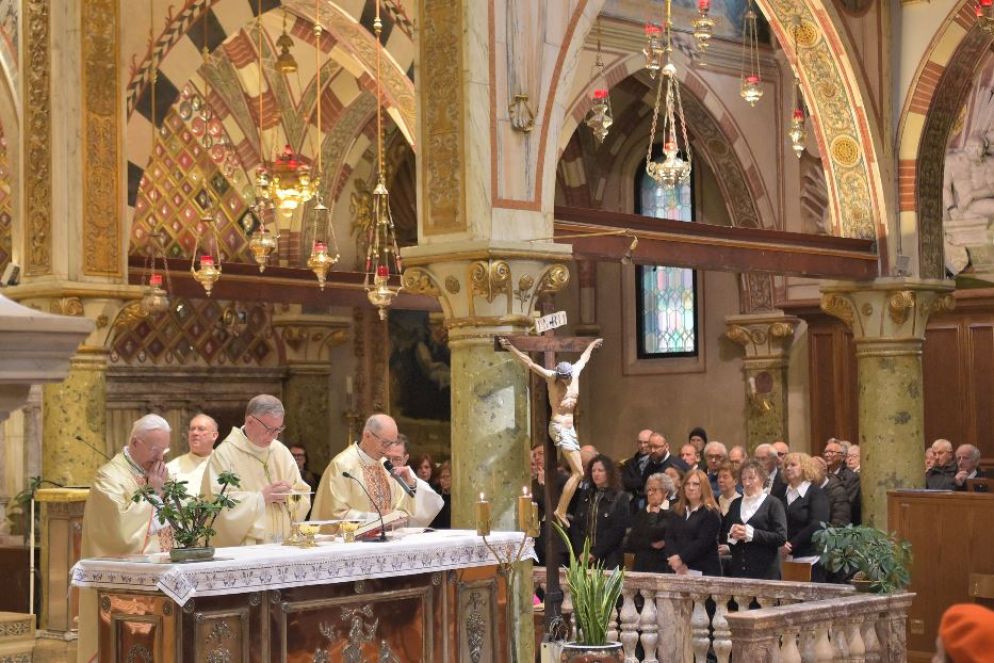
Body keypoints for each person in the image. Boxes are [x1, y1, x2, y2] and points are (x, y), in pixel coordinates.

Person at [78, 414, 173, 663]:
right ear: (135, 442)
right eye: (155, 450)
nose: (160, 458)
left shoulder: (160, 473)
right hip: (127, 589)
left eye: (164, 451)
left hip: (162, 577)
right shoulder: (109, 478)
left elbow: (174, 520)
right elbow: (119, 532)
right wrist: (153, 493)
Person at [500, 336, 603, 526]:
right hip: (558, 426)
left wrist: (591, 345)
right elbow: (530, 363)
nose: (566, 382)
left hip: (570, 428)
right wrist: (511, 347)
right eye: (563, 379)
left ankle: (561, 509)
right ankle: (560, 510)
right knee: (578, 472)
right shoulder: (551, 377)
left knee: (579, 472)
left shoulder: (575, 372)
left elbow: (584, 358)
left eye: (568, 379)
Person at [201, 395, 310, 546]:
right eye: (269, 429)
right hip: (248, 549)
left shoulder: (281, 451)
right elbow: (219, 508)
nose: (274, 436)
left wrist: (290, 496)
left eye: (278, 429)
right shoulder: (224, 455)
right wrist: (260, 498)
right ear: (250, 421)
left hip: (283, 543)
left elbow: (302, 495)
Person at [312, 413, 417, 525]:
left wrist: (410, 486)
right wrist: (376, 518)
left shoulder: (385, 465)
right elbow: (334, 514)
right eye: (386, 443)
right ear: (367, 436)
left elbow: (400, 507)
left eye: (392, 443)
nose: (388, 450)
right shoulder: (342, 466)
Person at [721, 459, 788, 580]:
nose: (747, 483)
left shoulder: (773, 503)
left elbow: (781, 537)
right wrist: (733, 535)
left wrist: (752, 534)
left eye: (751, 478)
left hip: (766, 573)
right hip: (739, 572)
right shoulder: (735, 504)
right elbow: (727, 535)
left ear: (762, 479)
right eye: (744, 478)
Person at [569, 454, 631, 569]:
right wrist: (581, 551)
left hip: (609, 557)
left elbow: (617, 530)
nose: (596, 474)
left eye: (600, 470)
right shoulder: (585, 495)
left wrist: (595, 553)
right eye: (593, 471)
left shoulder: (620, 497)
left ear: (609, 472)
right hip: (584, 556)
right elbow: (576, 525)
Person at [779, 452, 830, 581]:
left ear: (805, 467)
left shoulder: (816, 493)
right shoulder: (780, 493)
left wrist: (790, 545)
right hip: (785, 558)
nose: (788, 468)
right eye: (786, 466)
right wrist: (780, 544)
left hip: (810, 558)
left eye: (793, 465)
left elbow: (817, 524)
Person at [665, 468, 722, 576]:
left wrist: (681, 559)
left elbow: (702, 543)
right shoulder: (676, 510)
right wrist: (675, 559)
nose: (691, 488)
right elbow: (669, 537)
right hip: (677, 569)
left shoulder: (711, 513)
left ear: (704, 487)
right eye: (687, 484)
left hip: (703, 570)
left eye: (696, 484)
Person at [385, 435, 444, 527]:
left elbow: (435, 503)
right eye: (387, 458)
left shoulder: (414, 482)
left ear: (405, 459)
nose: (391, 464)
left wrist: (412, 485)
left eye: (397, 459)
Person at [623, 473, 674, 573]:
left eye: (654, 490)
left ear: (665, 492)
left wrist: (653, 514)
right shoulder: (641, 513)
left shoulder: (672, 512)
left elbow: (655, 534)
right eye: (648, 490)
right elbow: (631, 542)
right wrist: (650, 544)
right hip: (640, 565)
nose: (650, 493)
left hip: (662, 566)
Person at [166, 413, 218, 496]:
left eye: (201, 429)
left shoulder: (224, 463)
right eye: (192, 429)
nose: (195, 433)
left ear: (214, 435)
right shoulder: (172, 468)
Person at [823, 438, 861, 524]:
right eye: (826, 452)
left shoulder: (852, 477)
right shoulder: (822, 475)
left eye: (831, 452)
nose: (827, 455)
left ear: (842, 457)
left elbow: (846, 504)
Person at [811, 456, 852, 527]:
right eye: (808, 471)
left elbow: (840, 523)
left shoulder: (838, 492)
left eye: (813, 471)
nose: (810, 475)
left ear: (824, 471)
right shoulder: (808, 490)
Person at [431, 461, 452, 529]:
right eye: (441, 477)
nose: (443, 480)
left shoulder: (458, 498)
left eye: (447, 476)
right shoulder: (436, 497)